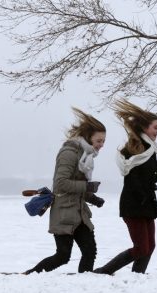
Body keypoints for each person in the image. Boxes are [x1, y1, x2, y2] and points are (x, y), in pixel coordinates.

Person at [23, 107, 106, 275]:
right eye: (99, 140)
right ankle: (30, 275)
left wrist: (92, 198)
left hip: (80, 213)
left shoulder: (86, 156)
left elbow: (77, 185)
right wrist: (86, 187)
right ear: (88, 137)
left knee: (90, 251)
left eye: (103, 141)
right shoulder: (69, 153)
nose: (101, 145)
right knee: (63, 256)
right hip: (64, 213)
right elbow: (61, 184)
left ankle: (85, 283)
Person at [93, 100, 157, 275]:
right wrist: (141, 193)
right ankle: (104, 271)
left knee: (150, 246)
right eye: (155, 128)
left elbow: (153, 178)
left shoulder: (150, 150)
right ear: (144, 128)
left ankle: (137, 277)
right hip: (133, 203)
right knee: (141, 247)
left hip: (147, 202)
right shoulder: (132, 149)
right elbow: (132, 178)